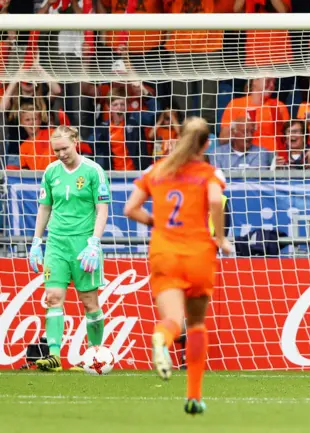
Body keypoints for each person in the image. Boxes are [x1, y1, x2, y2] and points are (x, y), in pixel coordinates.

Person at [124, 117, 232, 415]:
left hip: (164, 252)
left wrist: (154, 222)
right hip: (198, 254)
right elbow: (215, 201)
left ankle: (162, 338)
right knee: (196, 324)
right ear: (207, 143)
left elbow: (130, 208)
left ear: (179, 137)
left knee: (172, 319)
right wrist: (220, 238)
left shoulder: (156, 170)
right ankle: (194, 397)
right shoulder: (210, 173)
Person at [28, 125, 111, 372]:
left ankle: (95, 357)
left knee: (89, 302)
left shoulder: (94, 171)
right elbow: (44, 207)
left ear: (76, 141)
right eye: (56, 150)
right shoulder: (51, 172)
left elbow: (102, 208)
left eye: (64, 148)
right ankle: (54, 356)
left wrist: (95, 243)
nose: (61, 153)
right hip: (56, 243)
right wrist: (36, 241)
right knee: (53, 297)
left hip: (83, 244)